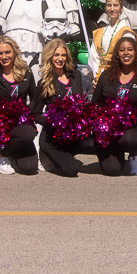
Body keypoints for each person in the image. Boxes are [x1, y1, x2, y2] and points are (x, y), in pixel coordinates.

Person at [92, 33, 137, 176]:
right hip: (108, 129)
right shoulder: (106, 76)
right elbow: (96, 103)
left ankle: (134, 155)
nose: (126, 53)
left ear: (136, 53)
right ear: (117, 54)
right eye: (122, 50)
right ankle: (107, 151)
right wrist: (105, 120)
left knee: (129, 139)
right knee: (112, 170)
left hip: (133, 127)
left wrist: (130, 117)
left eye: (130, 49)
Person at [0, 36, 40, 175]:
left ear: (14, 52)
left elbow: (34, 98)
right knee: (28, 134)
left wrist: (28, 114)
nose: (4, 56)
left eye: (7, 52)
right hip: (2, 127)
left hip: (20, 123)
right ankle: (2, 155)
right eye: (0, 53)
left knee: (29, 168)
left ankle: (6, 153)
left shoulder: (25, 72)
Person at [34, 39, 86, 177]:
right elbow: (35, 113)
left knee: (92, 143)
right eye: (56, 55)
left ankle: (65, 155)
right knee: (72, 170)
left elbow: (80, 102)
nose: (60, 59)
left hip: (72, 132)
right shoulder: (44, 82)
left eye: (63, 55)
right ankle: (46, 154)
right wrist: (52, 121)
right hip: (52, 135)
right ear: (49, 56)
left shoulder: (76, 76)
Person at [88, 0, 136, 82]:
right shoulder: (100, 32)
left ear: (121, 8)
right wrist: (95, 76)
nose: (112, 9)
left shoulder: (126, 32)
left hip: (118, 75)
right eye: (109, 5)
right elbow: (94, 56)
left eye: (115, 5)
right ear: (105, 8)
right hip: (100, 75)